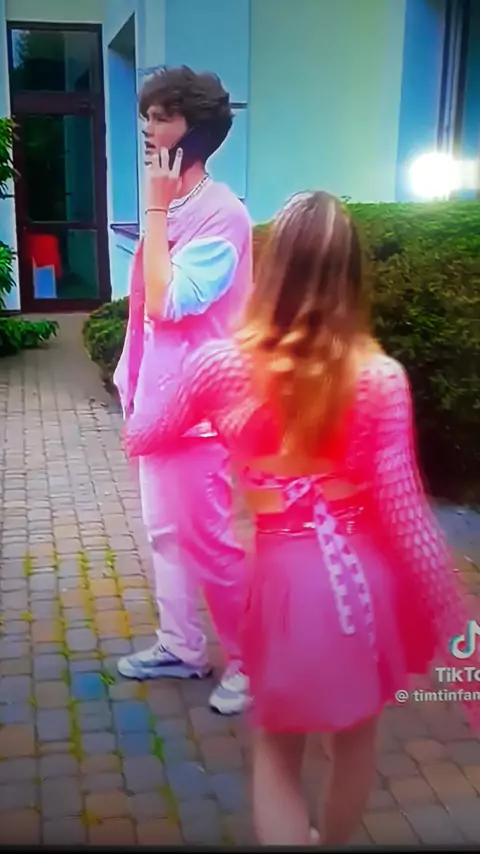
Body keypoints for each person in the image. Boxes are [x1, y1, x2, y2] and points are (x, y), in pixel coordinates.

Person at [122, 188, 480, 845]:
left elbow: (143, 434)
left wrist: (161, 345)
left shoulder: (219, 365)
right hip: (363, 588)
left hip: (285, 587)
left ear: (271, 266)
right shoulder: (379, 378)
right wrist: (468, 659)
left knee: (278, 753)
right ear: (351, 276)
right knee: (353, 744)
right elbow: (412, 526)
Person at [113, 66, 252, 715]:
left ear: (194, 130)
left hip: (199, 411)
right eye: (147, 114)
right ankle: (180, 645)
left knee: (210, 542)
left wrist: (154, 207)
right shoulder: (173, 203)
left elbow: (168, 303)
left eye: (162, 116)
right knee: (165, 533)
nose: (148, 127)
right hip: (157, 402)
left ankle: (251, 662)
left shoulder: (222, 214)